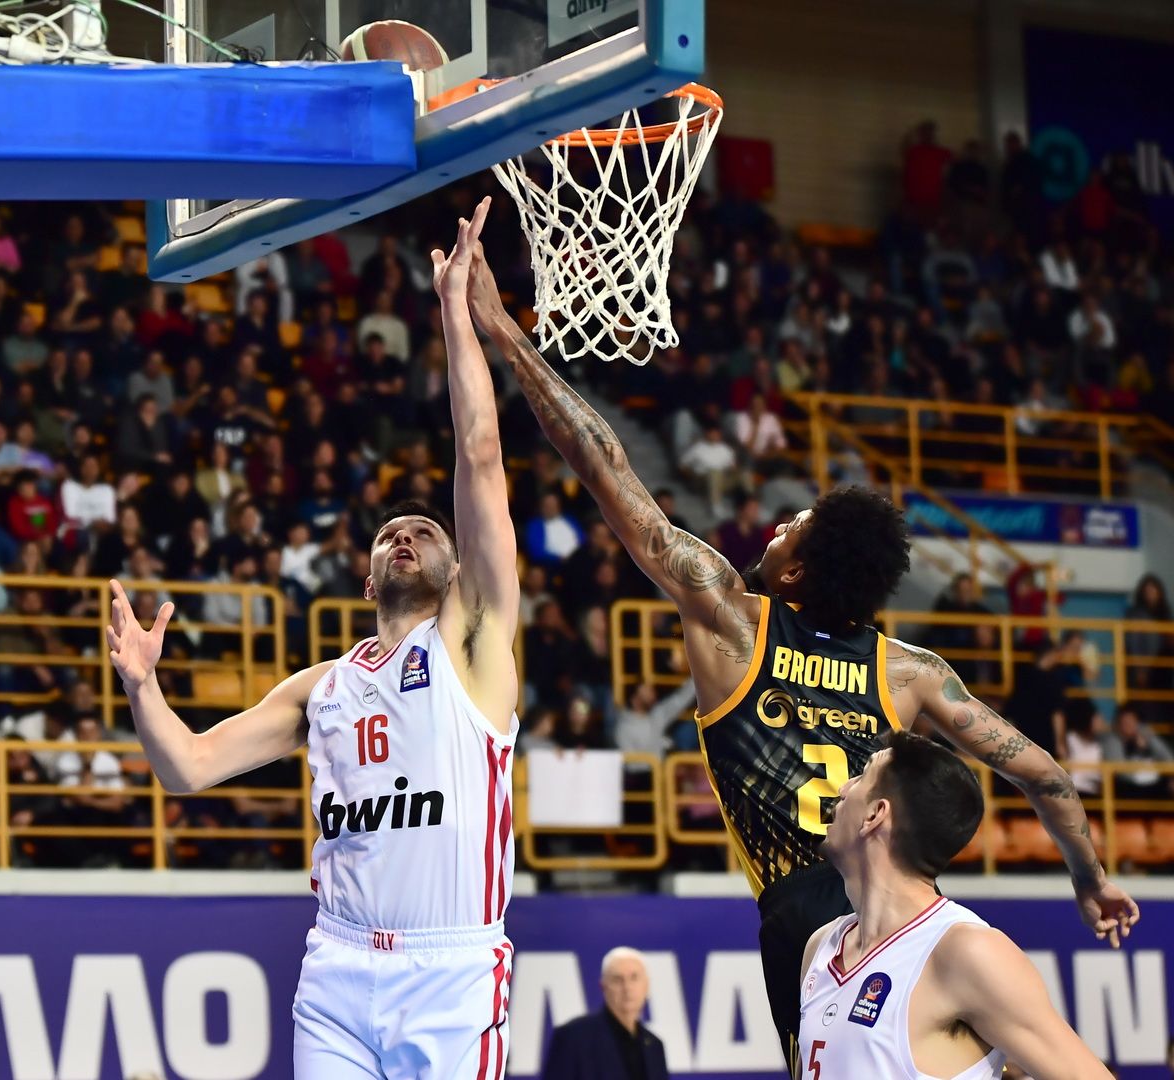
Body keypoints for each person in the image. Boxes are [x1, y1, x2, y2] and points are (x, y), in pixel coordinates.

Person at [464, 238, 1135, 1069]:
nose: (778, 527)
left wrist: (505, 333)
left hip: (813, 916)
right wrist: (1088, 877)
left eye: (794, 527)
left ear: (797, 571)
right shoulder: (911, 672)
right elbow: (1045, 775)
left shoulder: (733, 621)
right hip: (906, 902)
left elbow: (604, 466)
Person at [109, 201, 521, 1078]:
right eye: (389, 535)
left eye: (425, 532)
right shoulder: (320, 688)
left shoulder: (472, 644)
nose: (405, 536)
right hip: (336, 967)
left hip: (450, 969)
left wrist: (454, 312)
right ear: (366, 581)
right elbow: (187, 768)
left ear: (457, 572)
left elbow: (481, 456)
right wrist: (144, 689)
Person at [800, 731, 1110, 1080]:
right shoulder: (821, 947)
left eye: (861, 777)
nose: (843, 788)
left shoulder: (965, 950)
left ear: (875, 814)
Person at [542, 946, 668, 1080]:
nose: (627, 987)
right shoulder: (573, 1038)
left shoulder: (654, 1046)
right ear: (603, 986)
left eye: (634, 977)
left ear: (646, 985)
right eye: (617, 979)